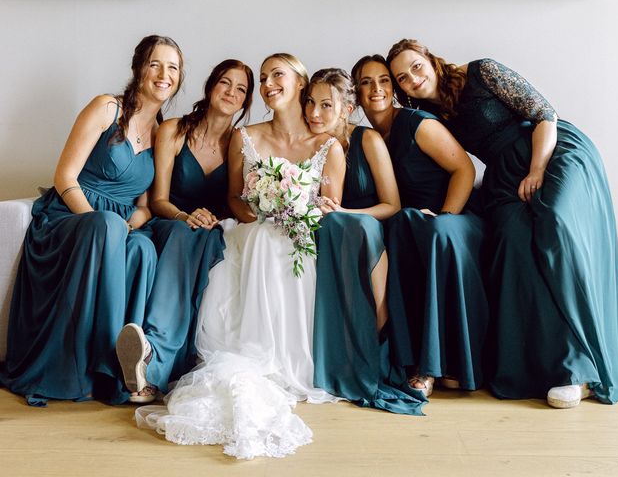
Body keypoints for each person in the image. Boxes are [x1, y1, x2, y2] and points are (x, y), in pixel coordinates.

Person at [386, 38, 618, 408]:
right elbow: (443, 166)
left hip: (551, 151)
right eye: (402, 78)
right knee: (511, 246)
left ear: (430, 59)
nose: (412, 78)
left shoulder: (481, 71)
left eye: (416, 66)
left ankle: (585, 367)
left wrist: (537, 169)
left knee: (555, 225)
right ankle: (552, 369)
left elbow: (544, 114)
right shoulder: (430, 117)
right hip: (504, 176)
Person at [135, 53, 345, 459]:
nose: (266, 84)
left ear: (300, 82)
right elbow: (237, 200)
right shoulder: (236, 136)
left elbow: (329, 206)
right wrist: (265, 209)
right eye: (261, 78)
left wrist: (290, 211)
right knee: (250, 240)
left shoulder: (322, 144)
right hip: (214, 226)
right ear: (210, 85)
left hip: (287, 234)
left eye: (272, 77)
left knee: (266, 241)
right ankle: (155, 356)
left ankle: (277, 357)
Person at [0, 35, 183, 406]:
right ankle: (94, 363)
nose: (164, 74)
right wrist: (103, 223)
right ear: (138, 70)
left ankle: (127, 367)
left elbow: (145, 202)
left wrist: (136, 219)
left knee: (144, 248)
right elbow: (64, 176)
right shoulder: (106, 108)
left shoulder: (161, 131)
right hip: (68, 217)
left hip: (115, 224)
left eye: (173, 67)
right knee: (108, 228)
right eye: (155, 64)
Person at [115, 60, 253, 403]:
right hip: (170, 223)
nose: (231, 92)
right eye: (225, 82)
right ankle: (153, 355)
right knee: (184, 235)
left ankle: (153, 363)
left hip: (211, 229)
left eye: (241, 89)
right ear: (210, 86)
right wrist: (184, 216)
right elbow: (158, 199)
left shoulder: (239, 142)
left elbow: (233, 199)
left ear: (245, 101)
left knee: (208, 238)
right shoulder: (175, 130)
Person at [352, 55, 489, 398]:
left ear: (394, 87)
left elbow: (465, 170)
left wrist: (446, 214)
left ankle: (435, 366)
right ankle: (412, 361)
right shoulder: (368, 137)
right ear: (355, 92)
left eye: (384, 80)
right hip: (410, 223)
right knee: (400, 226)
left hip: (457, 217)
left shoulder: (416, 123)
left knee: (425, 230)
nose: (377, 88)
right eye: (366, 82)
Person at [305, 68, 426, 415]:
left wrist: (345, 212)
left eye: (326, 105)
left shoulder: (367, 140)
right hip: (323, 232)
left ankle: (377, 347)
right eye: (310, 103)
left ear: (347, 107)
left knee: (355, 228)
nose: (314, 113)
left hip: (368, 226)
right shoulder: (305, 141)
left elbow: (392, 204)